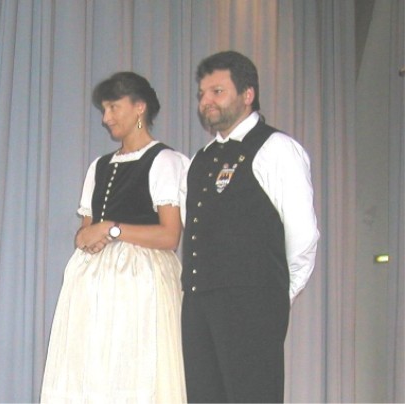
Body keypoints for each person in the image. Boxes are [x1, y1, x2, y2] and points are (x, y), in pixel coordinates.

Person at [40, 72, 189, 403]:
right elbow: (85, 230)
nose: (106, 118)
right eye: (104, 109)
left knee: (137, 368)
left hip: (142, 282)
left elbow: (169, 235)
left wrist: (111, 229)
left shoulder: (164, 161)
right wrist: (87, 237)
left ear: (139, 107)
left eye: (113, 107)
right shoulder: (100, 166)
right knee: (93, 369)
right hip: (94, 284)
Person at [181, 50, 320, 402]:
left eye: (217, 91)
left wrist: (275, 295)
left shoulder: (277, 148)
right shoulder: (200, 159)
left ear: (247, 94)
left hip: (253, 303)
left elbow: (303, 236)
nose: (206, 101)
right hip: (199, 303)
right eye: (202, 94)